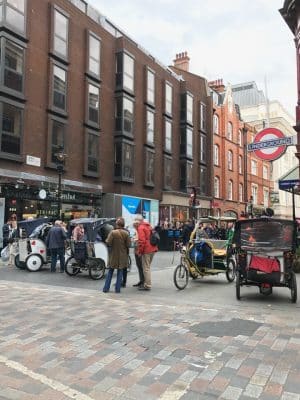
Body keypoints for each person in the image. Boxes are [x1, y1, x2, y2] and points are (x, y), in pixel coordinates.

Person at [103, 217, 131, 293]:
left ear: (117, 224)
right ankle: (117, 289)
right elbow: (129, 244)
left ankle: (106, 288)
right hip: (122, 255)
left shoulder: (112, 232)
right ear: (123, 225)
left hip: (113, 255)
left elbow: (108, 242)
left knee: (110, 272)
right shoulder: (126, 233)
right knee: (120, 272)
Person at [135, 214, 158, 291]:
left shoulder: (141, 228)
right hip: (153, 248)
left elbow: (141, 241)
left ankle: (147, 285)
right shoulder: (148, 226)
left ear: (139, 221)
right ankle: (146, 283)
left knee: (146, 268)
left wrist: (140, 251)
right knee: (147, 267)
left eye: (136, 220)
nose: (135, 221)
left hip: (147, 250)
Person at [131, 220, 144, 288]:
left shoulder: (140, 230)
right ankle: (141, 280)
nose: (134, 227)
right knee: (139, 266)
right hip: (136, 250)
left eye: (134, 225)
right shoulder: (136, 231)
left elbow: (141, 241)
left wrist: (140, 251)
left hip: (139, 250)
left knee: (141, 266)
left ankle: (143, 281)